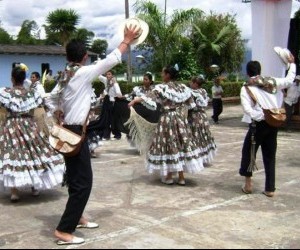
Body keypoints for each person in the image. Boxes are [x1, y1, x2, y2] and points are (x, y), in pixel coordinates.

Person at [47, 26, 140, 245]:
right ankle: (64, 230)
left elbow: (50, 99)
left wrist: (58, 113)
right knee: (84, 183)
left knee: (74, 178)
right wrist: (126, 40)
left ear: (68, 56)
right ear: (85, 57)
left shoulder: (64, 74)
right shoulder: (81, 72)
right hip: (76, 132)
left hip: (67, 131)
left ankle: (77, 217)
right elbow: (110, 60)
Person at [128, 66, 204, 186]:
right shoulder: (182, 88)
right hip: (179, 119)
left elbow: (148, 96)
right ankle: (181, 177)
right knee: (180, 144)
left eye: (163, 73)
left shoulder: (162, 87)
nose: (161, 75)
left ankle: (168, 175)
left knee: (168, 144)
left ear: (168, 75)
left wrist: (134, 101)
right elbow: (191, 104)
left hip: (167, 119)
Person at [0, 65, 65, 202]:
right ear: (24, 79)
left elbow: (3, 110)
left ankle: (14, 192)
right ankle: (35, 187)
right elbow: (43, 108)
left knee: (14, 155)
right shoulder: (32, 93)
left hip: (11, 126)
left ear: (12, 79)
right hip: (29, 125)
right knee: (34, 154)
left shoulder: (5, 93)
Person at [239, 54, 295, 198]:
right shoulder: (272, 81)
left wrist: (261, 116)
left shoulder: (247, 87)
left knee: (249, 152)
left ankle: (248, 184)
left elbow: (247, 109)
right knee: (270, 156)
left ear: (248, 72)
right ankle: (270, 188)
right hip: (273, 121)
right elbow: (289, 80)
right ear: (260, 70)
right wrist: (292, 64)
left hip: (258, 124)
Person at [188, 77, 217, 165]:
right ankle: (203, 155)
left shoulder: (192, 93)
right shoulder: (203, 91)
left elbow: (190, 105)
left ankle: (198, 156)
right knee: (203, 135)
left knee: (195, 135)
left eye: (191, 82)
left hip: (195, 117)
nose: (190, 83)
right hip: (203, 116)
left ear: (195, 84)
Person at [98, 71, 123, 140]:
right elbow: (99, 76)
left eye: (109, 74)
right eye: (106, 74)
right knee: (106, 118)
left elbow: (119, 93)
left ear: (112, 75)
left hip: (113, 102)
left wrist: (117, 96)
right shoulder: (106, 80)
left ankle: (117, 134)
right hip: (106, 101)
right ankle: (106, 135)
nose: (107, 76)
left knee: (114, 119)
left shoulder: (115, 83)